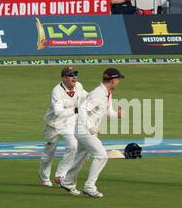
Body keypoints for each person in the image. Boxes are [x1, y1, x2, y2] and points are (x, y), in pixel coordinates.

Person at [59, 68, 125, 198]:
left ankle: (67, 181)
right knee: (101, 156)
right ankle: (89, 187)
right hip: (84, 130)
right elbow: (82, 109)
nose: (118, 82)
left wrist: (116, 114)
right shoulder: (98, 94)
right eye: (118, 80)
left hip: (86, 130)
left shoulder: (107, 93)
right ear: (113, 80)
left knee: (81, 158)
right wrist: (89, 126)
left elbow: (105, 110)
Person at [39, 67, 88, 186]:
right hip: (53, 125)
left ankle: (60, 175)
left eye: (75, 74)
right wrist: (76, 109)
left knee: (73, 146)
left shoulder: (79, 86)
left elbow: (88, 96)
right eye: (71, 75)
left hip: (69, 124)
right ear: (64, 78)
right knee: (48, 154)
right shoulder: (57, 91)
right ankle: (44, 178)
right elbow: (58, 112)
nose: (74, 77)